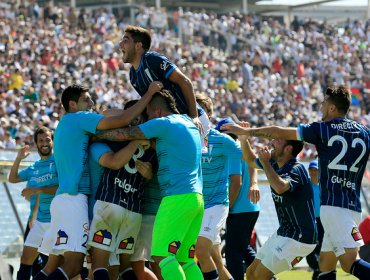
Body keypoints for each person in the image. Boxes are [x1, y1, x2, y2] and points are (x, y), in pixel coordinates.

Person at [222, 85, 370, 280]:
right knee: (325, 265)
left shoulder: (322, 130)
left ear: (332, 108)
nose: (321, 108)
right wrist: (245, 139)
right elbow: (251, 158)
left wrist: (248, 132)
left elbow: (278, 131)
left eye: (324, 104)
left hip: (333, 208)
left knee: (350, 262)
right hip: (351, 205)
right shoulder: (364, 131)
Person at [40, 82, 161, 280]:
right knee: (76, 265)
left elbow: (112, 116)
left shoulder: (73, 127)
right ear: (72, 104)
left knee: (60, 265)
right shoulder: (80, 122)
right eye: (86, 100)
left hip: (73, 199)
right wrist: (148, 95)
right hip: (78, 200)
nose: (91, 102)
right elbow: (121, 118)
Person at [97, 89, 204, 280]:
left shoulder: (164, 123)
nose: (146, 120)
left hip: (176, 198)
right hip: (196, 198)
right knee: (185, 260)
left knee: (162, 255)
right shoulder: (189, 123)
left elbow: (126, 134)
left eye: (146, 115)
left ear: (156, 112)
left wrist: (98, 134)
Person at [88, 100, 156, 280]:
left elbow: (103, 114)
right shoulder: (151, 145)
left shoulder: (117, 137)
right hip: (134, 211)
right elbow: (150, 175)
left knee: (99, 264)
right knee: (126, 267)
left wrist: (128, 116)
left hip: (110, 203)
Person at [237, 130, 317, 280]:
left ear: (288, 149)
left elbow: (280, 187)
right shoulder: (274, 163)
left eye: (278, 140)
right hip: (285, 232)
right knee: (252, 273)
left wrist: (266, 162)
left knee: (261, 275)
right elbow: (249, 159)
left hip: (301, 237)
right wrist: (243, 140)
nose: (272, 142)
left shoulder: (297, 168)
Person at [119, 25, 210, 146]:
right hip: (173, 125)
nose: (120, 44)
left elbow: (185, 82)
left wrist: (194, 116)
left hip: (192, 120)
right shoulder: (133, 75)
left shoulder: (153, 60)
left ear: (138, 46)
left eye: (125, 40)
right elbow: (150, 103)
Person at [194, 117, 242, 280]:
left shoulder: (227, 146)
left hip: (217, 206)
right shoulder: (195, 138)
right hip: (200, 207)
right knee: (217, 262)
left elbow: (237, 181)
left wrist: (225, 210)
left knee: (201, 251)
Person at [8, 126, 58, 280]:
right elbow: (13, 178)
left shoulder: (59, 162)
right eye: (41, 140)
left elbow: (62, 188)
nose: (44, 143)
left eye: (47, 140)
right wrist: (18, 158)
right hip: (37, 222)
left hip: (58, 221)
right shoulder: (33, 167)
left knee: (55, 265)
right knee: (26, 261)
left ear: (53, 142)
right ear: (36, 143)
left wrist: (37, 190)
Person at [306, 160, 325, 280]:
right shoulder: (306, 186)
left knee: (321, 248)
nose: (313, 172)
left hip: (323, 221)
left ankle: (319, 271)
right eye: (311, 169)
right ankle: (318, 269)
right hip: (310, 220)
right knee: (310, 249)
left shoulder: (324, 186)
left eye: (315, 169)